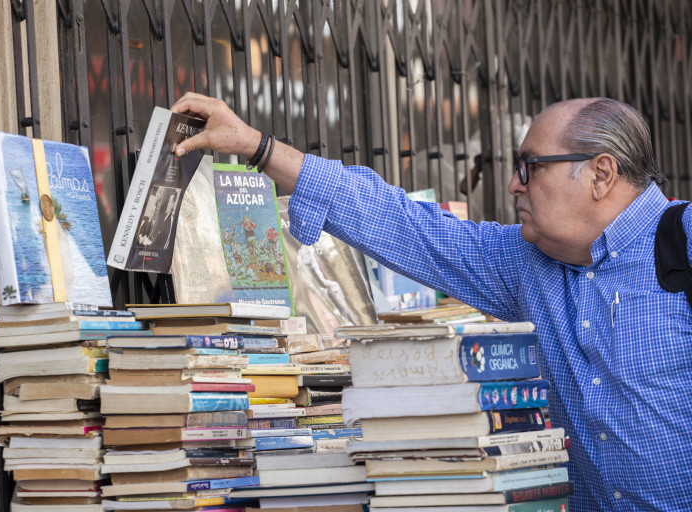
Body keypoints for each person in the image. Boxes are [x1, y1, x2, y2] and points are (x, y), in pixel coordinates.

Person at [171, 92, 692, 511]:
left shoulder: (683, 245)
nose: (514, 184)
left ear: (601, 174)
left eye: (531, 166)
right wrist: (256, 146)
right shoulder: (528, 263)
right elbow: (402, 223)